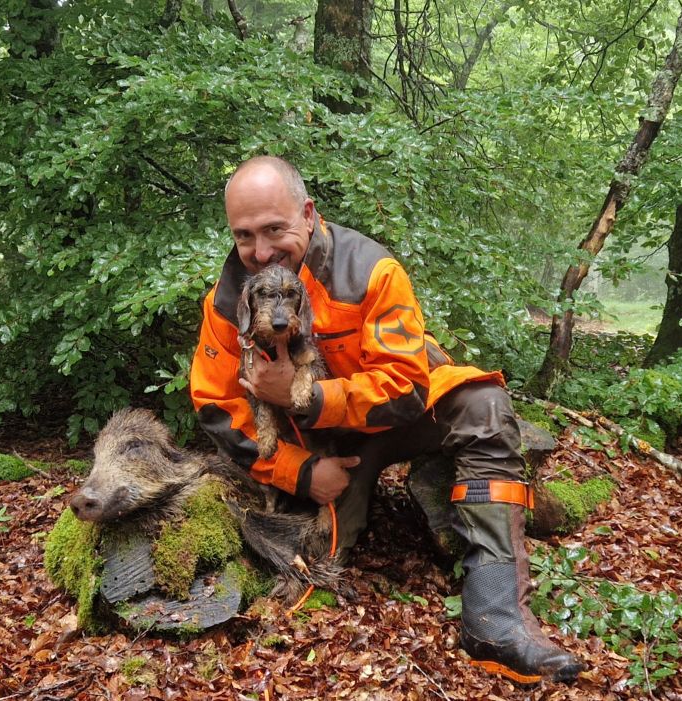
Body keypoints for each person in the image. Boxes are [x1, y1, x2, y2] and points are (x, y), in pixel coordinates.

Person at [190, 155, 584, 684]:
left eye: (273, 230)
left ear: (307, 214)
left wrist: (305, 397)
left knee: (484, 406)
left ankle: (496, 619)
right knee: (319, 564)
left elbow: (405, 390)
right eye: (244, 236)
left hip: (393, 416)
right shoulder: (229, 300)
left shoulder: (370, 271)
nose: (260, 252)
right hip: (320, 446)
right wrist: (302, 473)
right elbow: (218, 410)